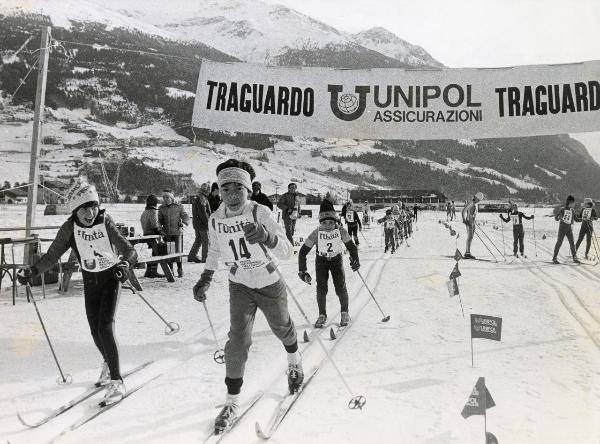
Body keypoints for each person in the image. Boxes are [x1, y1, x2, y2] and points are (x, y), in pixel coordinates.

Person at [192, 159, 303, 434]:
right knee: (238, 340)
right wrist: (205, 277)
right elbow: (215, 251)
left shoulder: (260, 211)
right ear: (218, 190)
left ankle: (294, 361)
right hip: (239, 283)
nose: (231, 194)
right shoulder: (216, 218)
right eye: (225, 188)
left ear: (248, 190)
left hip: (268, 281)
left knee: (282, 328)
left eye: (237, 188)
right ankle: (231, 402)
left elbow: (288, 251)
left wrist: (266, 237)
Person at [17, 181, 136, 406]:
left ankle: (117, 380)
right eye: (84, 209)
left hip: (110, 278)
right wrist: (32, 272)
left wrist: (125, 265)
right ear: (75, 211)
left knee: (105, 327)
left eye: (93, 207)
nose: (90, 213)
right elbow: (52, 255)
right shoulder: (69, 228)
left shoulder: (105, 222)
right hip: (91, 281)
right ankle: (108, 363)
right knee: (94, 331)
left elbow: (129, 250)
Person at [298, 200, 360, 328]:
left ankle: (344, 312)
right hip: (321, 261)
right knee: (321, 288)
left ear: (336, 221)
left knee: (340, 287)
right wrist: (302, 271)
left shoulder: (341, 230)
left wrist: (355, 260)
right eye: (324, 222)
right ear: (321, 222)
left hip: (336, 260)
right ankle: (322, 314)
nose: (328, 225)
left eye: (331, 222)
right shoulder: (317, 232)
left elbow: (352, 247)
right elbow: (303, 252)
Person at [158, 190, 189, 277]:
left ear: (172, 198)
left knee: (178, 251)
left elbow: (185, 216)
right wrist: (160, 228)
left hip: (177, 233)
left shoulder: (179, 206)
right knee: (169, 252)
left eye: (167, 197)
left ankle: (180, 269)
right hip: (167, 233)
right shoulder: (161, 208)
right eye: (164, 197)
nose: (166, 199)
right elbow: (159, 220)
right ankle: (170, 269)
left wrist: (184, 223)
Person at [140, 194, 165, 278]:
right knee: (157, 252)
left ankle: (148, 271)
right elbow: (154, 225)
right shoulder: (153, 212)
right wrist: (160, 233)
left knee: (154, 252)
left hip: (145, 234)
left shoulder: (144, 212)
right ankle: (153, 271)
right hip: (152, 235)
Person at [552, 195, 581, 264]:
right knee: (559, 242)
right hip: (562, 228)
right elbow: (556, 218)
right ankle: (554, 258)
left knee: (572, 243)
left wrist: (584, 219)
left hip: (569, 229)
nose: (574, 204)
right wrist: (559, 217)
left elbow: (576, 219)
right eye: (573, 203)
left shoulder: (572, 210)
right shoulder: (562, 209)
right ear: (570, 202)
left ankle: (574, 257)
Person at [188, 183, 211, 263]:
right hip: (202, 224)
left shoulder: (197, 197)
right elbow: (203, 213)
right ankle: (206, 258)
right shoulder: (202, 198)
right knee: (206, 240)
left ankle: (192, 255)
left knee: (198, 239)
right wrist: (208, 223)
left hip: (196, 222)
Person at [462, 192, 483, 259]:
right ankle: (467, 253)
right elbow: (463, 211)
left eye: (480, 200)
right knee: (470, 237)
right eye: (479, 199)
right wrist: (464, 220)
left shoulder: (475, 204)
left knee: (471, 237)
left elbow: (473, 214)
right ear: (476, 197)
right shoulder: (471, 203)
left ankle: (468, 251)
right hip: (469, 222)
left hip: (473, 222)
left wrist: (474, 221)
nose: (479, 201)